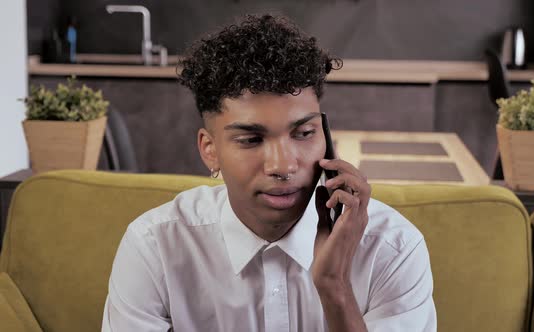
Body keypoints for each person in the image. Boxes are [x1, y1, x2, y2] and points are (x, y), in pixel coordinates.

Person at [102, 14, 436, 331]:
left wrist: (335, 289)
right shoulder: (155, 247)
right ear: (210, 150)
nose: (283, 166)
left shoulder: (392, 248)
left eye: (304, 134)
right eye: (251, 139)